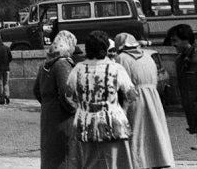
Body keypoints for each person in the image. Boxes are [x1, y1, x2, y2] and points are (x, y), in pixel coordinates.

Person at [66, 30, 136, 167]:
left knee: (90, 162)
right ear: (105, 47)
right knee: (115, 162)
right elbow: (131, 95)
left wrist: (81, 107)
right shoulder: (116, 68)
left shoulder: (78, 69)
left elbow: (68, 96)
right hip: (114, 122)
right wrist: (123, 110)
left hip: (85, 123)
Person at [114, 32, 175, 168]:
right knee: (154, 129)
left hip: (134, 98)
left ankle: (139, 162)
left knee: (137, 130)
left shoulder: (121, 58)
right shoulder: (147, 56)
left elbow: (122, 83)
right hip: (153, 97)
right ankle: (159, 158)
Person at [33, 30, 77, 169]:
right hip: (62, 119)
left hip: (48, 116)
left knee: (49, 156)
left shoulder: (44, 65)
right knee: (64, 156)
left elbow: (36, 91)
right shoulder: (62, 64)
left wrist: (48, 103)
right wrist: (75, 110)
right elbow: (67, 94)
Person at [168, 23, 197, 151]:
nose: (173, 44)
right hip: (190, 105)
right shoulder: (180, 60)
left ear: (186, 39)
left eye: (175, 40)